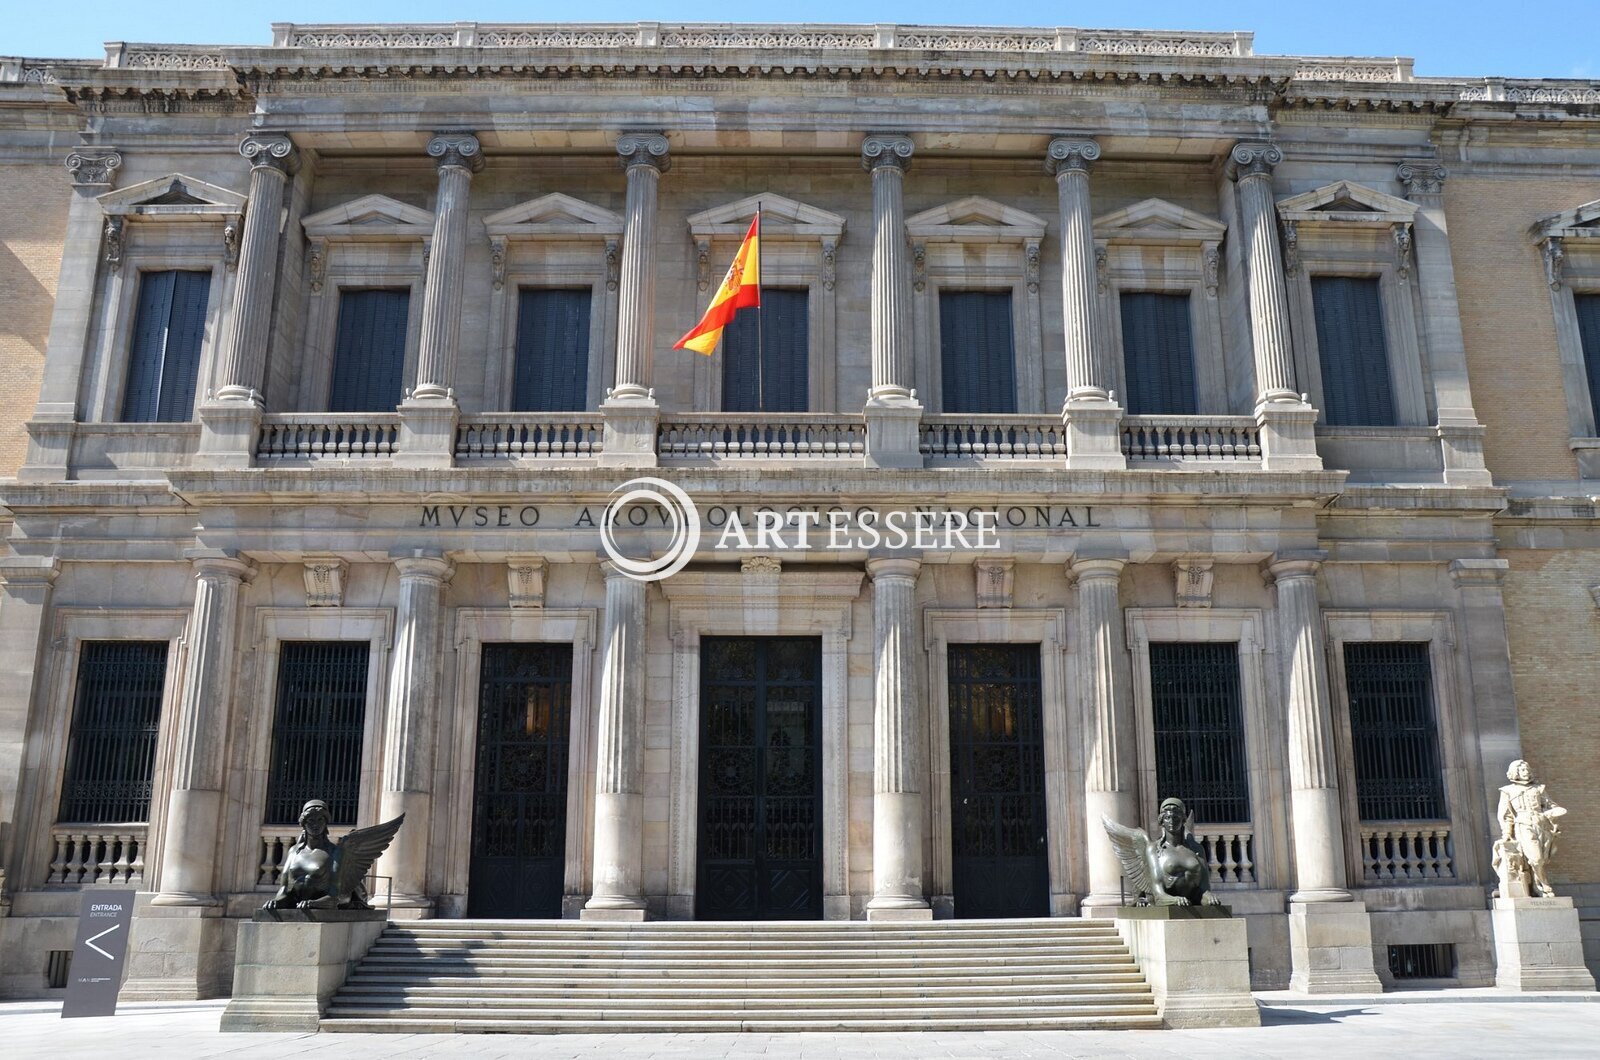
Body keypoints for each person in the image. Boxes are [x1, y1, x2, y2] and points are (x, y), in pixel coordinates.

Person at [1497, 759, 1566, 898]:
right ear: (1515, 772)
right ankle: (1544, 885)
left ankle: (1535, 884)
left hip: (1542, 825)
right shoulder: (1508, 791)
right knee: (1536, 858)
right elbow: (1506, 815)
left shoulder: (1539, 789)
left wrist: (1554, 812)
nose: (1526, 771)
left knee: (1543, 859)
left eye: (1527, 769)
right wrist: (1507, 833)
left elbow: (1552, 806)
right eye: (1522, 769)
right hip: (1524, 825)